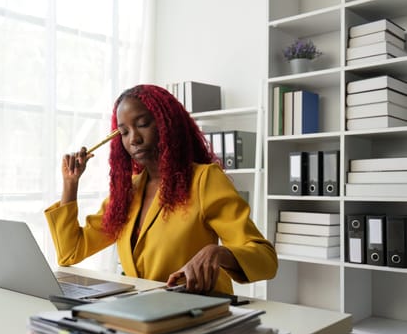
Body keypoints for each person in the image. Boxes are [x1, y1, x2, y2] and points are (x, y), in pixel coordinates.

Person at [44, 84, 277, 295]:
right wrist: (70, 184)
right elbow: (70, 252)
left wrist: (218, 253)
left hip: (200, 313)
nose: (134, 138)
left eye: (143, 124)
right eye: (124, 132)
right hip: (143, 315)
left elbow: (265, 259)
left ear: (167, 125)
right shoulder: (128, 191)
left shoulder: (203, 180)